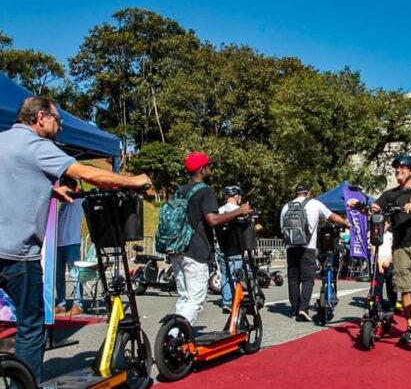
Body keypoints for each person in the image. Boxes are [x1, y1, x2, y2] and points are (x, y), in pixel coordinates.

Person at [0, 96, 151, 383]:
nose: (60, 125)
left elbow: (13, 178)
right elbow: (90, 175)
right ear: (41, 118)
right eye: (58, 119)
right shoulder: (37, 146)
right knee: (31, 327)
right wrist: (134, 180)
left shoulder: (2, 140)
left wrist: (50, 191)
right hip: (19, 255)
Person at [352, 153, 411, 344]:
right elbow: (374, 208)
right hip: (400, 246)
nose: (398, 170)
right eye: (396, 168)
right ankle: (410, 327)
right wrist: (360, 205)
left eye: (403, 168)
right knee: (404, 287)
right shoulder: (390, 194)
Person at [171, 152, 252, 326]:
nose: (210, 168)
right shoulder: (205, 191)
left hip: (177, 249)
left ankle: (175, 332)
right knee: (195, 299)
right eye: (208, 166)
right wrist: (239, 211)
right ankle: (176, 335)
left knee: (184, 296)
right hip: (196, 251)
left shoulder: (179, 191)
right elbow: (212, 220)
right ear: (201, 170)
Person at [280, 183, 350, 322]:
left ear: (297, 193)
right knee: (307, 279)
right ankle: (303, 309)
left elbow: (282, 228)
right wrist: (346, 224)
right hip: (308, 247)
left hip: (290, 248)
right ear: (309, 193)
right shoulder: (315, 204)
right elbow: (332, 217)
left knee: (293, 280)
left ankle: (294, 308)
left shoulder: (285, 207)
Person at [55, 177, 85, 316]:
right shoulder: (62, 204)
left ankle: (78, 304)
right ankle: (61, 303)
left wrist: (75, 190)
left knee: (75, 274)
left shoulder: (77, 201)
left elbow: (81, 194)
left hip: (72, 242)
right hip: (59, 243)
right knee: (59, 276)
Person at [217, 185, 244, 313]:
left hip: (221, 247)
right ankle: (237, 300)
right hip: (235, 248)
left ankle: (226, 301)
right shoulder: (239, 210)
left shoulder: (219, 210)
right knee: (236, 275)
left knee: (225, 275)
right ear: (237, 196)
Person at [373, 219, 397, 309]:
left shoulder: (391, 235)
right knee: (378, 284)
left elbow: (393, 249)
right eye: (383, 224)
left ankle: (392, 303)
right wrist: (379, 264)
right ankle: (378, 302)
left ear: (389, 224)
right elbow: (373, 249)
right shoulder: (375, 235)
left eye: (386, 224)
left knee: (391, 283)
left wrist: (389, 260)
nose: (384, 226)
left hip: (389, 261)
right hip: (379, 261)